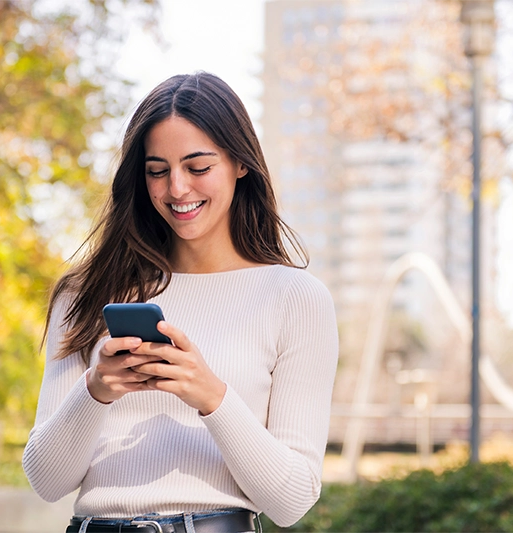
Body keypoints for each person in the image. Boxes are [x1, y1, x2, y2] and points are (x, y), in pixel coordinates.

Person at [22, 72, 338, 533]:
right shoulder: (85, 294)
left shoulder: (296, 299)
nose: (176, 189)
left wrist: (208, 394)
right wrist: (96, 390)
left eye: (198, 167)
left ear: (240, 163)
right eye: (157, 170)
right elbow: (47, 481)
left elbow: (291, 500)